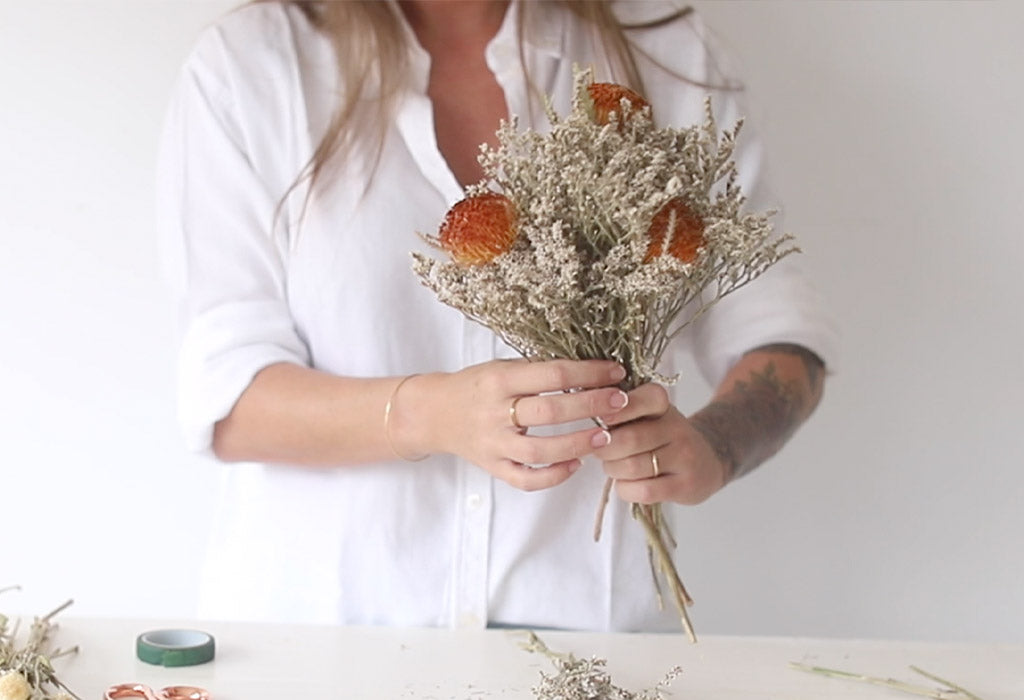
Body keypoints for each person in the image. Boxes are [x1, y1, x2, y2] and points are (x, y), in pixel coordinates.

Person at [158, 0, 837, 632]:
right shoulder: (253, 67)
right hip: (322, 644)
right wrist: (433, 414)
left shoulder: (664, 56)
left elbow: (780, 336)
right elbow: (229, 400)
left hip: (589, 654)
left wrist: (715, 447)